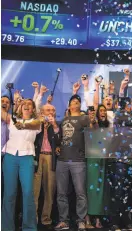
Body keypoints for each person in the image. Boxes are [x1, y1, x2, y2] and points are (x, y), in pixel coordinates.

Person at [54, 95, 96, 231]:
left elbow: (92, 130)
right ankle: (63, 220)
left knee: (80, 193)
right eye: (73, 102)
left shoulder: (84, 118)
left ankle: (81, 220)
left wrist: (92, 120)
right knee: (61, 193)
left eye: (78, 102)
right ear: (69, 106)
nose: (76, 103)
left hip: (78, 160)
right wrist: (58, 146)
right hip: (62, 160)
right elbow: (60, 137)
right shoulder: (64, 120)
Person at [2, 99, 42, 231]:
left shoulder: (35, 122)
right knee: (9, 194)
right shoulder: (11, 120)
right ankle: (6, 227)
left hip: (27, 158)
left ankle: (29, 227)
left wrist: (23, 125)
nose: (26, 105)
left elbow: (36, 124)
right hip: (10, 157)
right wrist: (12, 102)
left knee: (28, 193)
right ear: (19, 107)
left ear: (33, 109)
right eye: (24, 103)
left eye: (30, 104)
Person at [33, 103, 61, 229]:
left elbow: (60, 140)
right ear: (42, 112)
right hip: (37, 157)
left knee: (49, 190)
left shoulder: (57, 125)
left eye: (53, 110)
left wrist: (54, 124)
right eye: (48, 110)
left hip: (51, 157)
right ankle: (32, 218)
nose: (51, 112)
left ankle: (46, 219)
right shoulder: (36, 124)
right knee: (34, 190)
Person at [86, 105, 111, 229]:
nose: (103, 112)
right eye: (100, 111)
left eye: (104, 111)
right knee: (91, 188)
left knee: (100, 190)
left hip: (103, 160)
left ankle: (98, 218)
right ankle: (87, 218)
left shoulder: (107, 127)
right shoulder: (93, 125)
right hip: (91, 159)